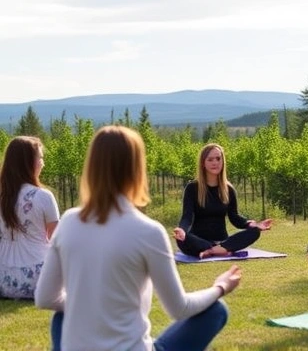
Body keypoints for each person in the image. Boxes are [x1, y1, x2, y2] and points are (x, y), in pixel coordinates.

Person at [35, 126, 241, 351]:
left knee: (62, 316)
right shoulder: (148, 232)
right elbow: (179, 308)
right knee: (216, 310)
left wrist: (90, 306)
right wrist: (220, 287)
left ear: (91, 167)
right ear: (137, 169)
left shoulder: (68, 222)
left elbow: (45, 297)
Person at [173, 143, 272, 259]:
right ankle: (219, 250)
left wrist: (252, 224)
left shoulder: (228, 189)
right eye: (210, 159)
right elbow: (187, 216)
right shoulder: (192, 188)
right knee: (183, 240)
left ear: (222, 161)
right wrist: (182, 231)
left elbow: (234, 217)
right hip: (198, 241)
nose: (215, 162)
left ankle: (213, 250)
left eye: (218, 159)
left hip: (222, 241)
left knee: (255, 232)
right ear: (203, 163)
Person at [0, 136, 60, 299]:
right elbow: (57, 240)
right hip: (36, 279)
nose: (43, 163)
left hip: (3, 279)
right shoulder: (43, 196)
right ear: (28, 163)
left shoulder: (2, 196)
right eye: (40, 158)